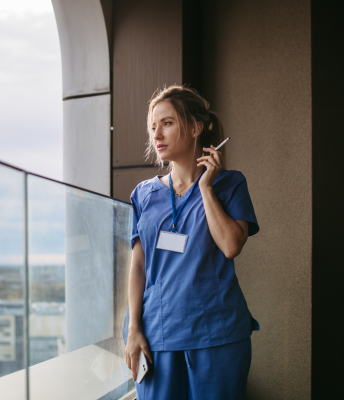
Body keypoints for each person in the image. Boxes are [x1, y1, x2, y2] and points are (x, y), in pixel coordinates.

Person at [124, 85, 260, 399]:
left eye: (167, 123)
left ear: (196, 127)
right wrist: (133, 329)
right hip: (158, 332)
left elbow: (230, 245)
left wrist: (206, 188)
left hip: (217, 333)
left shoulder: (229, 184)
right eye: (153, 126)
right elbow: (138, 265)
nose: (156, 133)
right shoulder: (143, 195)